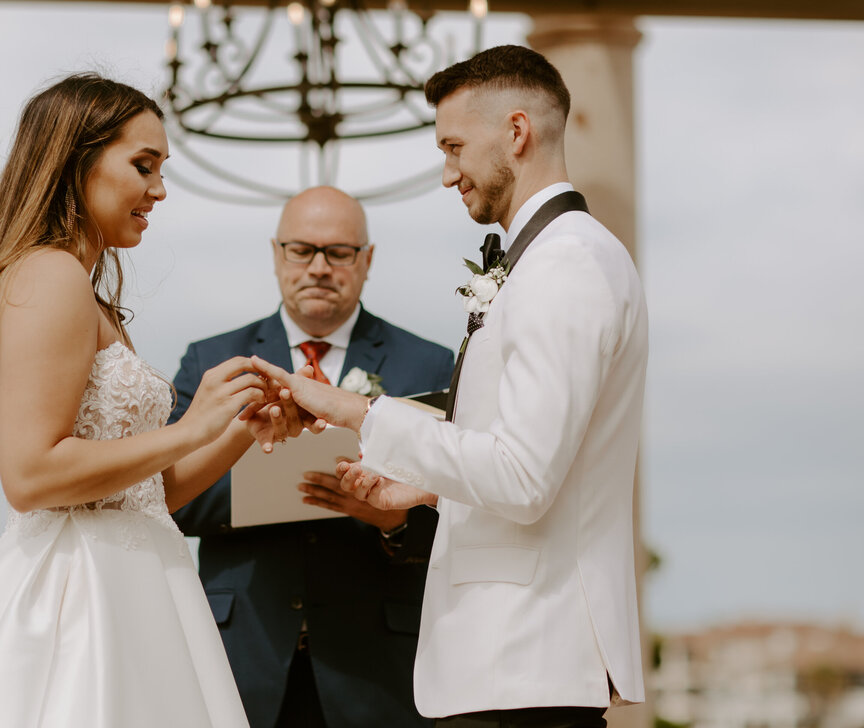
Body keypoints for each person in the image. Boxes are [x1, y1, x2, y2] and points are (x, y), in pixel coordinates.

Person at [0, 73, 287, 727]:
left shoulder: (78, 291)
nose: (159, 189)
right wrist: (188, 425)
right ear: (76, 160)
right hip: (82, 600)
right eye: (143, 165)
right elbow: (31, 476)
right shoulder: (51, 276)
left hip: (134, 586)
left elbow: (147, 494)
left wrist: (230, 429)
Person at [250, 45, 649, 727]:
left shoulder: (566, 266)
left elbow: (524, 479)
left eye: (455, 146)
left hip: (524, 657)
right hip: (506, 665)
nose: (447, 173)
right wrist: (424, 488)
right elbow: (532, 458)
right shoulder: (547, 262)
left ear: (516, 132)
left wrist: (354, 409)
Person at [171, 186, 454, 728]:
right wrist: (267, 479)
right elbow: (170, 500)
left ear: (366, 260)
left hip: (378, 669)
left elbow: (464, 501)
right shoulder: (214, 361)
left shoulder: (429, 365)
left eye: (339, 252)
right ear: (277, 255)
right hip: (242, 656)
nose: (319, 267)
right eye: (302, 250)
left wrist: (395, 521)